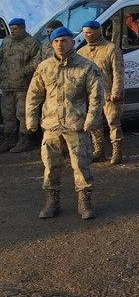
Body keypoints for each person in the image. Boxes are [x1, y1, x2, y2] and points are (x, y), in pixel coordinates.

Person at [26, 27, 103, 219]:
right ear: (52, 44)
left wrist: (91, 120)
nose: (60, 44)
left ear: (73, 42)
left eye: (64, 40)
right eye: (56, 41)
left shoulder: (86, 66)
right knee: (51, 166)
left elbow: (96, 96)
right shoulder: (44, 67)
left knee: (81, 166)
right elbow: (34, 95)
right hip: (51, 126)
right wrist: (31, 119)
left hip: (76, 125)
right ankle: (52, 202)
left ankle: (84, 202)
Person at [78, 20, 125, 164]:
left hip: (108, 93)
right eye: (84, 32)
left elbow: (118, 72)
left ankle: (116, 151)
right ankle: (99, 151)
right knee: (94, 124)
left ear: (98, 31)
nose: (87, 35)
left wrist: (116, 91)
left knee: (113, 122)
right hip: (91, 95)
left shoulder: (111, 49)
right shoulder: (81, 52)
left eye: (89, 32)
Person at [0, 18, 43, 153]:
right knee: (8, 113)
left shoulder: (32, 43)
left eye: (15, 29)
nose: (12, 31)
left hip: (23, 86)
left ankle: (24, 139)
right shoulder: (7, 41)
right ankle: (9, 138)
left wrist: (24, 71)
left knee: (22, 113)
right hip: (7, 84)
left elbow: (37, 60)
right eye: (11, 29)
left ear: (23, 28)